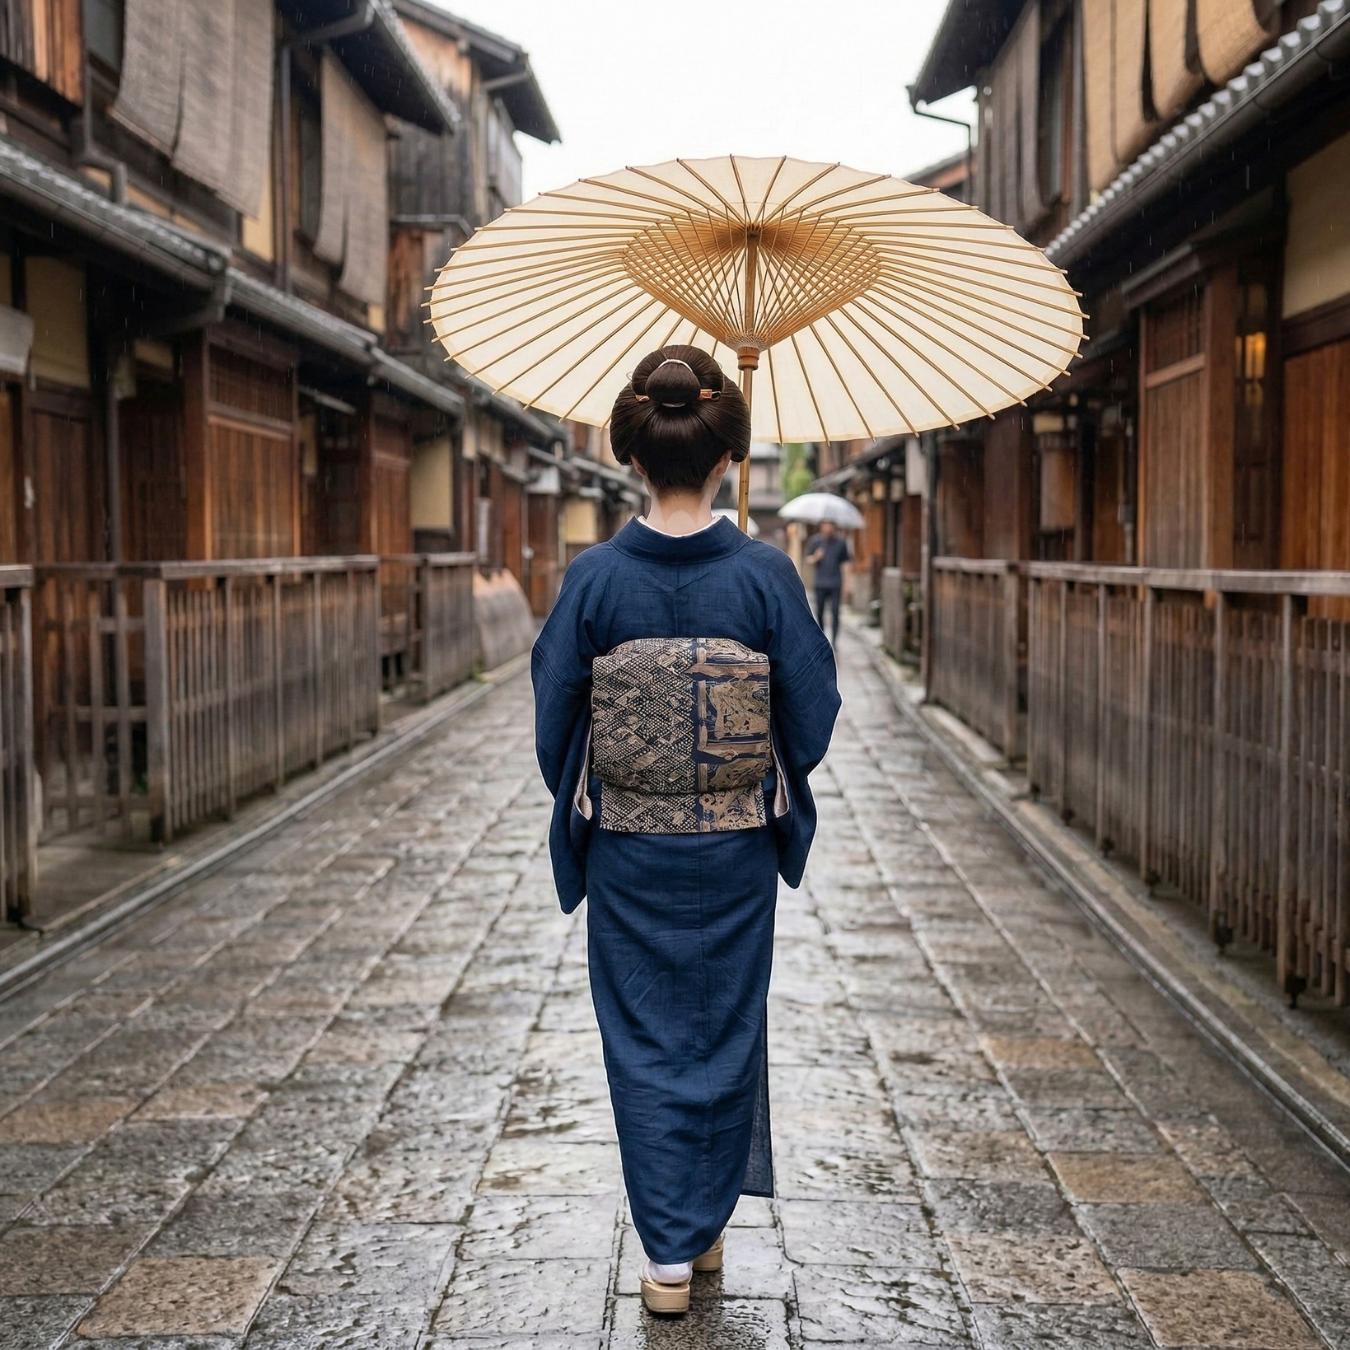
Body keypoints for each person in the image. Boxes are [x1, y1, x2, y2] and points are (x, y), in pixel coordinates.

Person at [532, 346, 840, 1317]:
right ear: (726, 455)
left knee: (643, 1041)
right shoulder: (764, 574)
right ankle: (695, 1233)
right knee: (724, 1028)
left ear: (631, 453)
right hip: (734, 851)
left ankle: (671, 1251)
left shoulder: (595, 578)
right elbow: (813, 716)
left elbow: (554, 720)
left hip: (630, 852)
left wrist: (629, 772)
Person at [805, 520, 851, 644]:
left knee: (835, 612)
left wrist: (847, 584)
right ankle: (823, 639)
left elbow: (846, 563)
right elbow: (807, 560)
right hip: (820, 582)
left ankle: (835, 641)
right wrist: (816, 557)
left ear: (834, 527)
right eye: (825, 525)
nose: (827, 528)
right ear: (821, 526)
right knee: (819, 612)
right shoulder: (815, 541)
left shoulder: (841, 542)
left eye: (830, 525)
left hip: (835, 582)